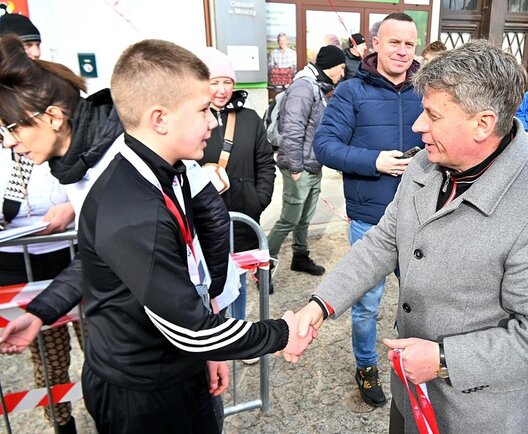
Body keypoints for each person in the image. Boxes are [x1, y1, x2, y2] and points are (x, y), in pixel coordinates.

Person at [0, 37, 313, 433]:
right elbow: (184, 321)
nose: (214, 122)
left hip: (173, 359)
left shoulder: (160, 167)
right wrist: (280, 333)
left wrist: (211, 331)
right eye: (203, 110)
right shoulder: (132, 203)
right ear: (160, 119)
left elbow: (197, 238)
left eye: (11, 128)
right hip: (144, 384)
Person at [297, 39, 528, 433]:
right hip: (409, 397)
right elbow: (382, 243)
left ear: (483, 123)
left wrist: (443, 359)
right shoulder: (424, 164)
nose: (418, 126)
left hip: (477, 416)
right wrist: (319, 305)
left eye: (433, 115)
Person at [312, 12, 422, 407]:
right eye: (394, 42)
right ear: (375, 44)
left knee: (422, 301)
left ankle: (415, 363)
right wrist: (374, 161)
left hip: (421, 219)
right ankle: (365, 365)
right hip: (370, 221)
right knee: (366, 305)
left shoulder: (427, 88)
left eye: (409, 44)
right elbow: (324, 146)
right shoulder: (351, 91)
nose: (403, 51)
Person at [0, 11, 78, 434]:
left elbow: (84, 172)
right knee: (48, 356)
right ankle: (61, 422)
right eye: (20, 48)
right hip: (17, 262)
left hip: (70, 249)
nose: (30, 54)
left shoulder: (59, 104)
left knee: (99, 343)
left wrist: (73, 208)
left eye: (34, 45)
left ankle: (108, 409)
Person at [195, 47, 275, 320]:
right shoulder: (192, 119)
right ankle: (212, 334)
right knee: (206, 281)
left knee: (237, 280)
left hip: (243, 216)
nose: (222, 90)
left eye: (227, 82)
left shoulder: (250, 118)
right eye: (214, 82)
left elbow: (265, 162)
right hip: (203, 219)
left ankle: (237, 332)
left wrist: (259, 198)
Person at [266, 45, 346, 277]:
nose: (343, 74)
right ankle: (263, 266)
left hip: (312, 165)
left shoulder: (318, 86)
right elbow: (292, 129)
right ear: (331, 66)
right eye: (341, 68)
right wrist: (296, 167)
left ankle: (300, 257)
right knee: (289, 219)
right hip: (299, 166)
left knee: (304, 219)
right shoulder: (303, 87)